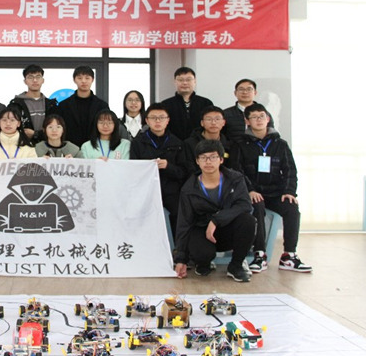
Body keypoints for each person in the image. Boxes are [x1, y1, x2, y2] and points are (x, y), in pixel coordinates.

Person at [234, 103, 311, 273]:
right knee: (257, 207)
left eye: (262, 116)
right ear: (247, 121)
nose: (259, 120)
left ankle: (289, 255)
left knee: (292, 208)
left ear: (268, 118)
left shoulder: (280, 144)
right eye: (254, 117)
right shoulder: (240, 144)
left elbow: (290, 170)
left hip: (276, 192)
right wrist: (249, 190)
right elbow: (238, 172)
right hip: (253, 192)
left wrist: (289, 191)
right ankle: (259, 255)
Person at [174, 139, 256, 283]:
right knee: (202, 253)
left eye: (213, 157)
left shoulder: (235, 179)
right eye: (203, 158)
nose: (208, 162)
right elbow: (184, 223)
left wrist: (216, 220)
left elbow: (244, 205)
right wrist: (181, 260)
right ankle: (203, 263)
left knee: (248, 221)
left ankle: (236, 265)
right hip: (202, 231)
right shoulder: (188, 188)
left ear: (221, 159)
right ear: (197, 161)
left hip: (227, 229)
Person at [130, 102, 187, 239]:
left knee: (179, 215)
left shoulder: (177, 143)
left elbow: (183, 172)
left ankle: (177, 248)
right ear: (147, 120)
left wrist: (168, 166)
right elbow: (133, 169)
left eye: (161, 117)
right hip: (146, 190)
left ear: (167, 120)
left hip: (171, 190)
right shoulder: (138, 142)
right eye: (153, 118)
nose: (157, 121)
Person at [54, 65, 109, 147]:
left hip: (95, 148)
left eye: (87, 78)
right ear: (74, 80)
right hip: (70, 148)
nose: (83, 81)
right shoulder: (64, 105)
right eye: (79, 78)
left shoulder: (102, 105)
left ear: (92, 79)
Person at [160, 67, 214, 141]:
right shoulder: (165, 104)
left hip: (201, 144)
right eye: (180, 80)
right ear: (175, 82)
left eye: (188, 80)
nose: (185, 83)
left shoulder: (206, 103)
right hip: (173, 144)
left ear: (195, 81)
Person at [9, 64, 57, 143]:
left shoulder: (51, 105)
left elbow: (57, 128)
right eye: (30, 77)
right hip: (22, 146)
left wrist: (35, 134)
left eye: (38, 77)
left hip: (47, 146)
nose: (34, 80)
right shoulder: (16, 104)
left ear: (43, 80)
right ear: (25, 81)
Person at [183, 106, 236, 176]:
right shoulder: (189, 144)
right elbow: (189, 169)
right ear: (202, 123)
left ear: (223, 122)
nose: (213, 122)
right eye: (209, 119)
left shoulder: (230, 144)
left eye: (217, 119)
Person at [223, 78, 274, 143]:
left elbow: (271, 135)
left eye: (249, 89)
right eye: (241, 89)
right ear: (235, 93)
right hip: (233, 148)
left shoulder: (264, 114)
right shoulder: (225, 114)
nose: (245, 92)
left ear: (255, 92)